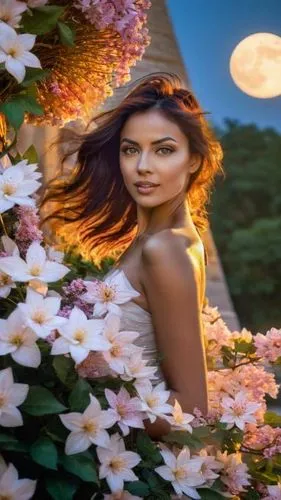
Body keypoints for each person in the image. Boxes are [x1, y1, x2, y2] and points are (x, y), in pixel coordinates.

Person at [41, 72, 223, 439]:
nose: (143, 166)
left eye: (164, 150)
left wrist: (95, 391)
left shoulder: (165, 248)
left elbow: (193, 411)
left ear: (193, 160)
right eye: (130, 149)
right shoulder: (168, 241)